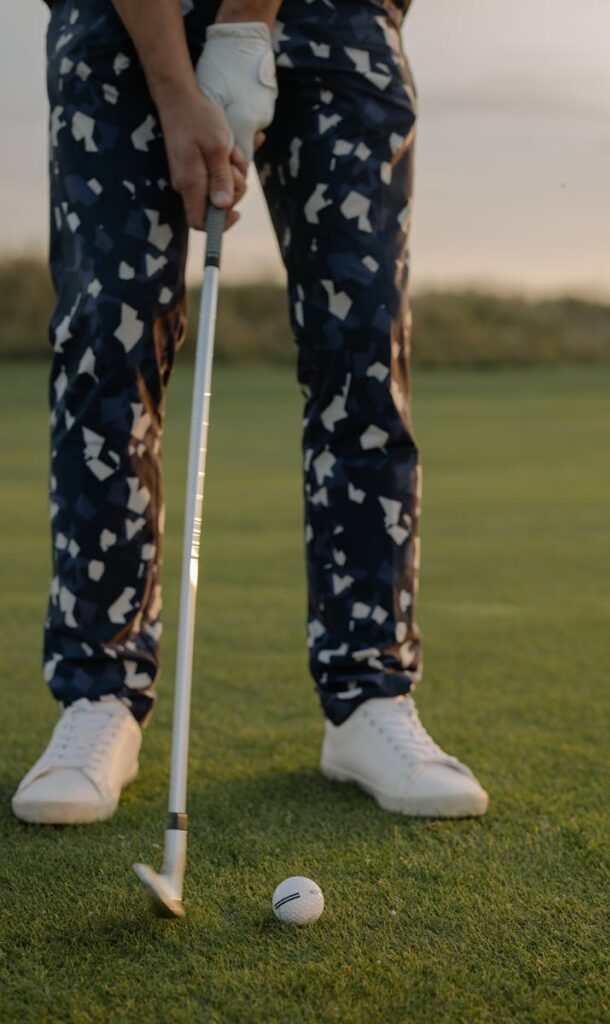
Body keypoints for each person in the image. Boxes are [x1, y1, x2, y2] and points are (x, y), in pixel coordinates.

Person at [12, 0, 488, 825]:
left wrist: (244, 22)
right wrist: (173, 79)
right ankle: (98, 698)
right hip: (120, 19)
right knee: (106, 335)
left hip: (335, 18)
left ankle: (366, 693)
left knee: (362, 345)